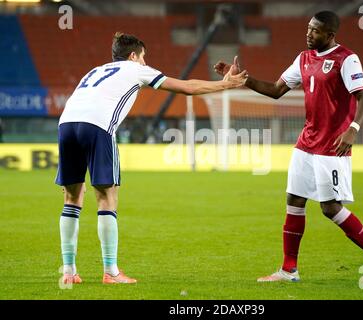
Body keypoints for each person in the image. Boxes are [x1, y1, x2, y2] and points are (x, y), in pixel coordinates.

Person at [214, 11, 363, 282]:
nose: (309, 34)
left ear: (330, 35)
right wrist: (245, 80)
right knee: (294, 201)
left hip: (333, 145)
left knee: (330, 208)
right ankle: (289, 270)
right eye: (308, 28)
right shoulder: (303, 58)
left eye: (315, 31)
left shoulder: (346, 59)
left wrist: (353, 130)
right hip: (306, 143)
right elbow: (276, 90)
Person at [56, 32, 247, 284]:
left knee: (72, 197)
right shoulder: (135, 69)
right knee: (106, 197)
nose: (145, 63)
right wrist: (226, 84)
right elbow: (187, 87)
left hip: (66, 124)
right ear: (133, 55)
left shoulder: (95, 71)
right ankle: (111, 272)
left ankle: (69, 272)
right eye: (143, 57)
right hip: (97, 127)